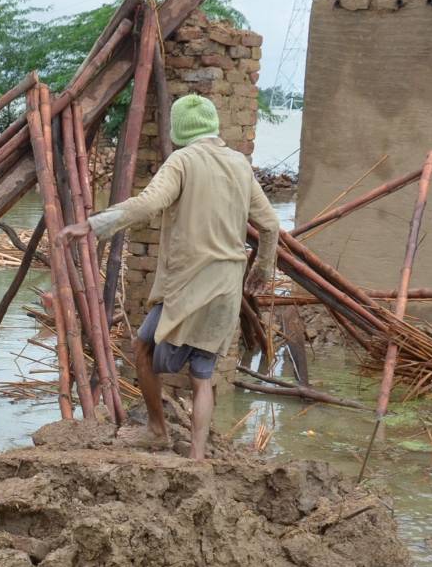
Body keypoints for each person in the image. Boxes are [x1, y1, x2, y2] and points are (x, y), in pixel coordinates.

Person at [62, 94, 278, 460]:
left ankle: (157, 430)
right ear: (212, 126)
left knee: (144, 347)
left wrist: (92, 225)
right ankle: (196, 455)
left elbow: (147, 204)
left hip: (190, 284)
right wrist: (263, 268)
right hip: (227, 287)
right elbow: (271, 225)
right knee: (202, 376)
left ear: (179, 129)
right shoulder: (240, 164)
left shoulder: (183, 160)